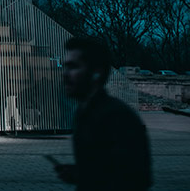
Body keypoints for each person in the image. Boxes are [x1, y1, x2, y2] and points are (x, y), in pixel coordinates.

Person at [53, 37, 152, 190]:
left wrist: (86, 175)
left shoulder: (118, 117)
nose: (65, 74)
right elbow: (106, 167)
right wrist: (80, 173)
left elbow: (136, 178)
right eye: (65, 67)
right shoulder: (83, 112)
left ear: (96, 73)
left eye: (73, 67)